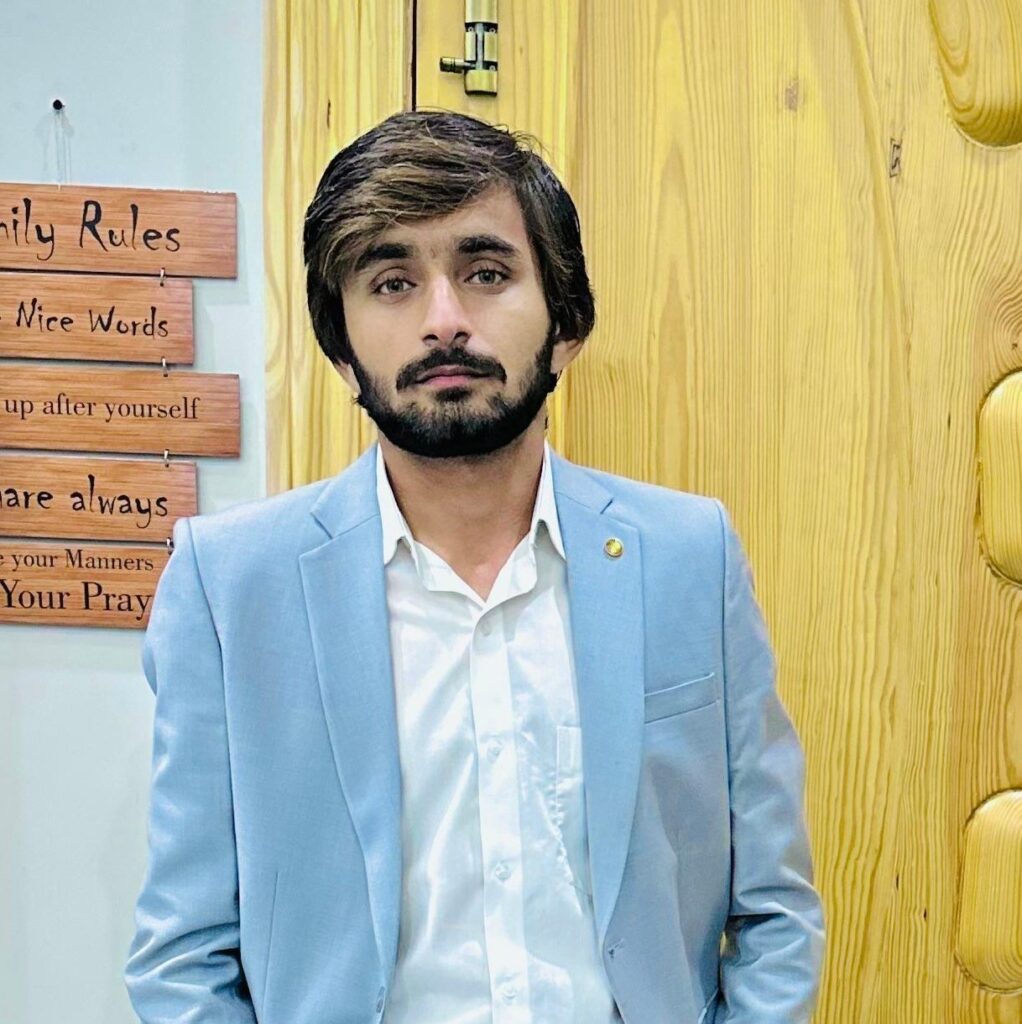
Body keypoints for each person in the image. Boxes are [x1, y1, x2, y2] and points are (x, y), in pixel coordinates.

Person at [125, 110, 824, 1023]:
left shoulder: (689, 557)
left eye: (487, 273)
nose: (444, 322)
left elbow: (774, 910)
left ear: (565, 323)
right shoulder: (230, 587)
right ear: (341, 349)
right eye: (392, 283)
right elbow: (183, 956)